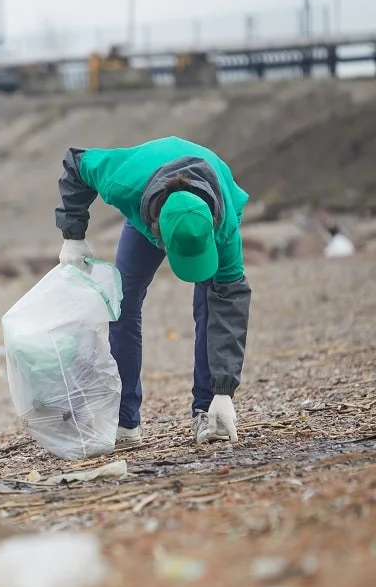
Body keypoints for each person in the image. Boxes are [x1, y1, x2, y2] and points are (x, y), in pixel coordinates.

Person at [52, 135, 252, 449]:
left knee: (213, 300)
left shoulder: (223, 227)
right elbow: (77, 163)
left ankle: (206, 410)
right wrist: (72, 234)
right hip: (147, 197)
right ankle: (124, 420)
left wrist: (223, 390)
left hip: (210, 203)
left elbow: (231, 303)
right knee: (122, 303)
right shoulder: (123, 181)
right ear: (157, 231)